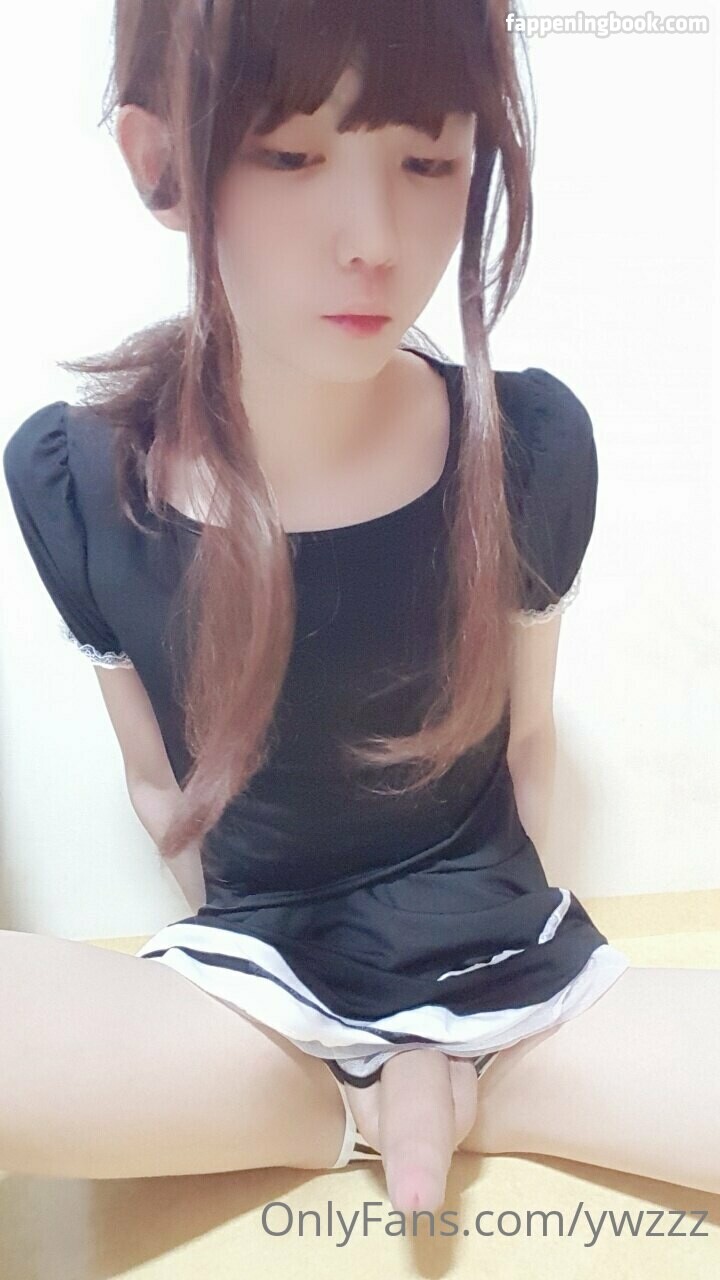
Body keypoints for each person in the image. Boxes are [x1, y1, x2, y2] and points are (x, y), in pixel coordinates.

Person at [3, 0, 719, 1210]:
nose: (376, 239)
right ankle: (344, 1100)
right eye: (291, 154)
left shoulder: (529, 450)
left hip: (506, 966)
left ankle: (468, 1076)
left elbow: (526, 744)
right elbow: (161, 788)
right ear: (159, 159)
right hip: (259, 985)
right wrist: (271, 1023)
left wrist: (488, 1003)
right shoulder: (79, 485)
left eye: (429, 159)